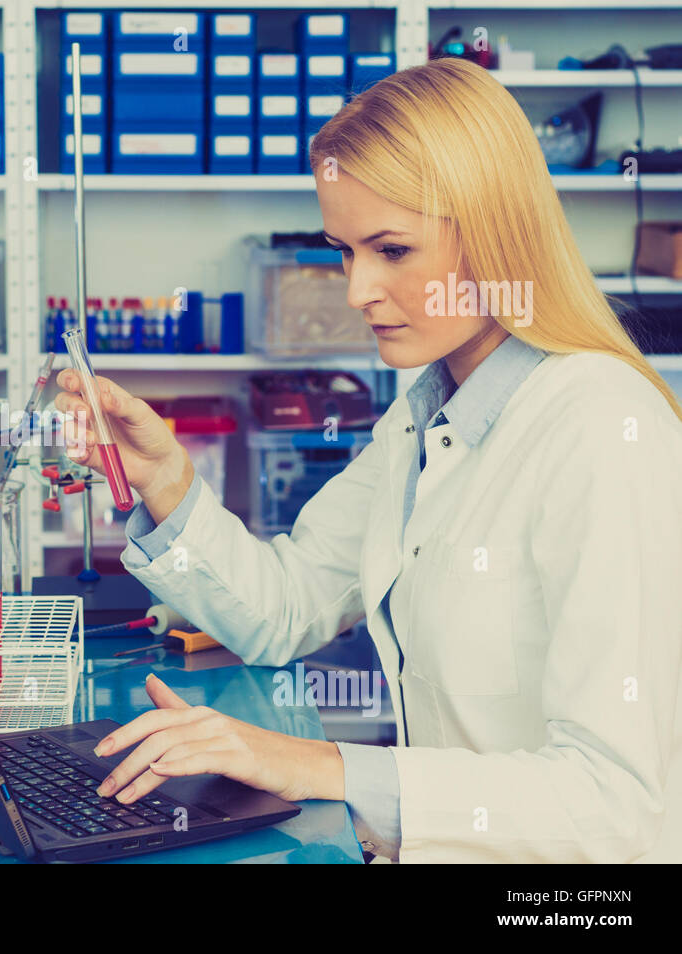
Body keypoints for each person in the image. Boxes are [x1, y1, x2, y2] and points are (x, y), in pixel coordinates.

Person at [54, 57, 682, 863]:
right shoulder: (427, 412)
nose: (356, 290)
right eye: (344, 251)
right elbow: (287, 606)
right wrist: (167, 480)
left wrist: (319, 765)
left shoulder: (601, 430)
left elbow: (617, 804)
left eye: (391, 249)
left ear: (496, 231)